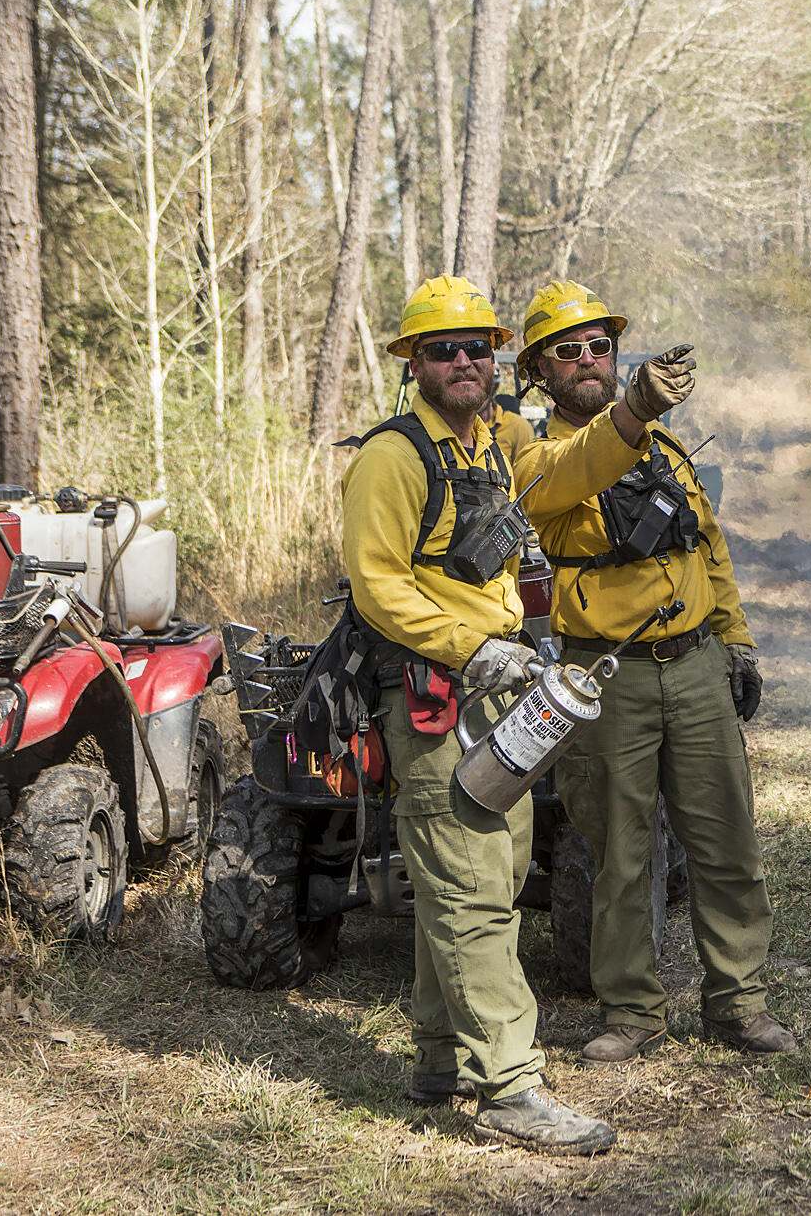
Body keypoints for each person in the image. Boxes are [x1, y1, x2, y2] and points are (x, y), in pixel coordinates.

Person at [339, 275, 615, 1155]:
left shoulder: (492, 443)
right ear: (412, 362)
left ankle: (437, 1057)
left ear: (496, 359)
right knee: (469, 885)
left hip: (498, 689)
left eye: (476, 347)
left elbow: (570, 467)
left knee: (491, 870)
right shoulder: (392, 457)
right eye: (442, 349)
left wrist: (633, 404)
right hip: (434, 696)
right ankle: (508, 1083)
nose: (463, 361)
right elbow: (377, 583)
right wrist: (471, 647)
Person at [512, 279, 794, 1063]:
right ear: (539, 371)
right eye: (567, 351)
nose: (588, 359)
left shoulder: (665, 448)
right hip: (607, 678)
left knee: (726, 840)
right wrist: (632, 409)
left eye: (599, 345)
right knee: (620, 854)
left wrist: (736, 641)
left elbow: (709, 547)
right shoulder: (532, 456)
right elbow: (581, 466)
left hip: (696, 662)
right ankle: (632, 1012)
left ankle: (739, 1001)